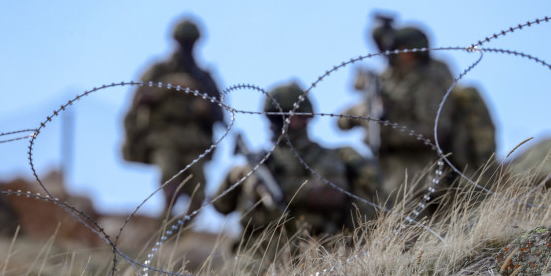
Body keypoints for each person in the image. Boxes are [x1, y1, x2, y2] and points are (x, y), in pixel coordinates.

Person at [338, 15, 496, 219]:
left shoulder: (430, 79)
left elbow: (433, 132)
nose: (393, 54)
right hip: (396, 176)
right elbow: (341, 120)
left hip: (429, 176)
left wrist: (388, 133)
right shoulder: (389, 79)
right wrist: (361, 114)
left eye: (399, 49)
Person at [213, 81, 379, 261]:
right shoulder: (257, 164)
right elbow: (220, 206)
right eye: (273, 117)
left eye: (283, 117)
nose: (275, 124)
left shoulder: (324, 157)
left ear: (305, 118)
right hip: (255, 259)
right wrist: (236, 178)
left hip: (311, 254)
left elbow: (332, 193)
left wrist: (284, 187)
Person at [122, 17, 224, 215]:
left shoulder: (203, 77)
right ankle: (164, 233)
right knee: (171, 187)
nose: (186, 47)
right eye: (183, 42)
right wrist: (167, 87)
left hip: (194, 142)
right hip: (164, 137)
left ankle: (180, 235)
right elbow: (138, 100)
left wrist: (203, 109)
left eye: (190, 42)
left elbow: (219, 115)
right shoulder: (158, 71)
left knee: (197, 194)